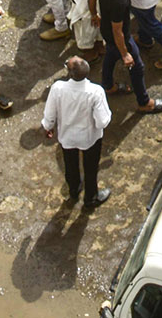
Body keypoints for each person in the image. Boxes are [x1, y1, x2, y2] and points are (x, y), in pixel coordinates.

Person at [40, 55, 114, 209]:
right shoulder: (95, 92)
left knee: (70, 165)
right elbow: (102, 121)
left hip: (67, 137)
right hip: (90, 138)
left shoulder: (58, 88)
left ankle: (74, 190)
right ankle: (91, 198)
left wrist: (48, 127)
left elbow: (50, 113)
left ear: (70, 73)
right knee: (91, 168)